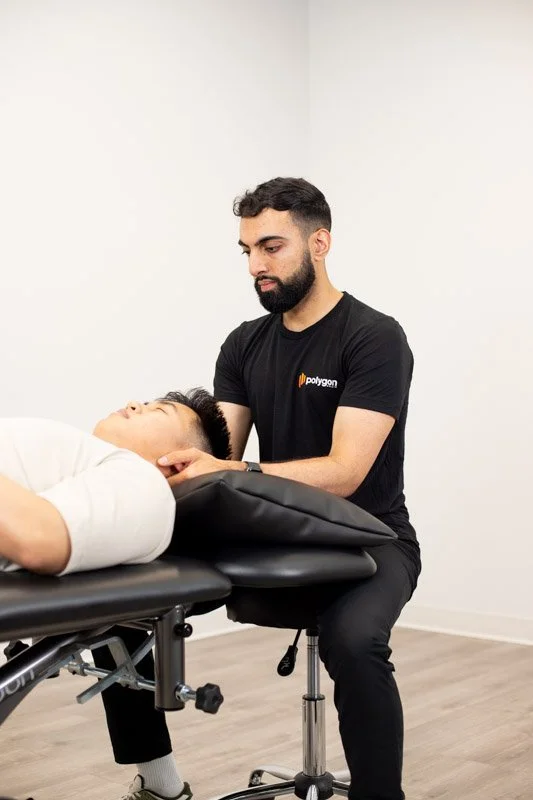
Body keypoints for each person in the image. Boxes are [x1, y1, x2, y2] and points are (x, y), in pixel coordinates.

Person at [104, 178, 420, 800]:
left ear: (320, 242)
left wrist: (234, 472)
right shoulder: (244, 344)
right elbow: (220, 457)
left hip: (371, 538)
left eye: (271, 247)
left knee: (355, 645)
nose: (256, 266)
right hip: (274, 530)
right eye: (246, 250)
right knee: (117, 604)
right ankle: (160, 782)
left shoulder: (374, 337)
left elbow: (345, 470)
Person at [0, 389, 230, 576]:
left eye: (158, 410)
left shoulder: (147, 485)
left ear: (180, 463)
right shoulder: (87, 466)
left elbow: (38, 539)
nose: (132, 404)